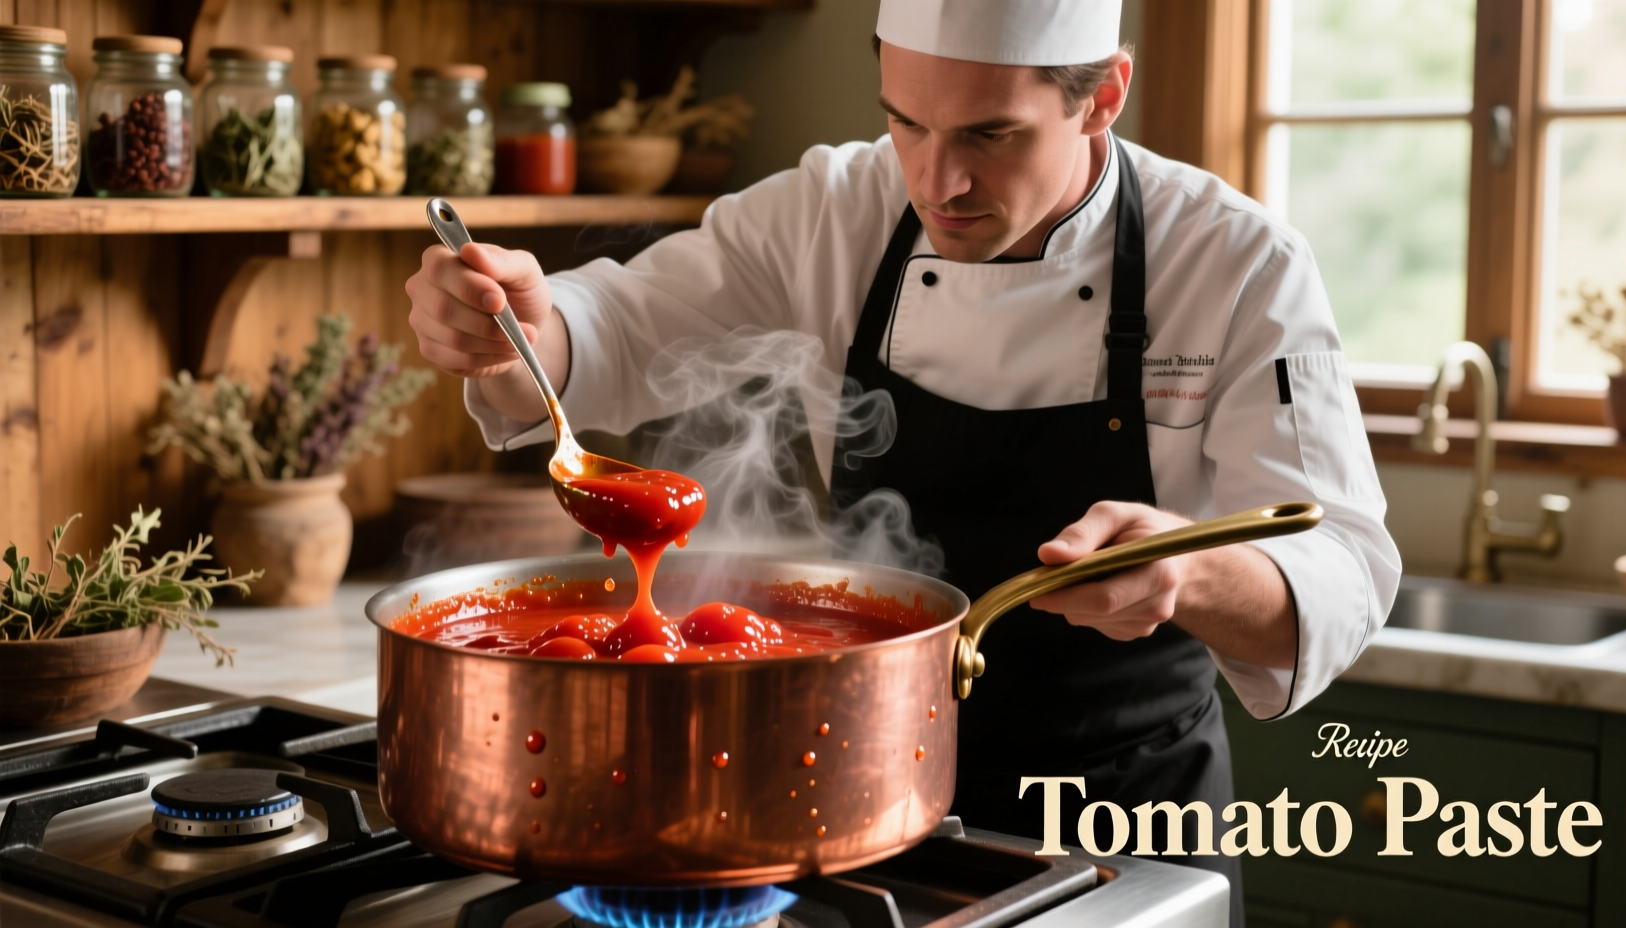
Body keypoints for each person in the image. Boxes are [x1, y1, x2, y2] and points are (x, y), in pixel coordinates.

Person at [405, 0, 1400, 920]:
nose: (936, 181)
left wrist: (1188, 568)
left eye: (988, 134)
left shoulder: (1232, 262)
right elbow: (616, 325)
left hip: (1126, 829)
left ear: (1101, 97)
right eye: (906, 124)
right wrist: (523, 331)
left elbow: (1344, 567)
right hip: (863, 797)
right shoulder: (831, 207)